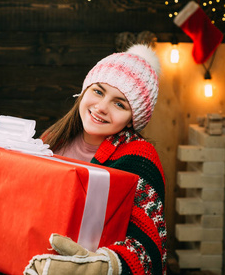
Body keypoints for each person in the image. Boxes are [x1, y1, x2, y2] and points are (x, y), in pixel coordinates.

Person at [23, 44, 166, 275]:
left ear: (132, 119)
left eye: (119, 104)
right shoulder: (51, 139)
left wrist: (103, 265)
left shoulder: (140, 158)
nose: (101, 108)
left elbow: (148, 248)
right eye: (98, 91)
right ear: (85, 89)